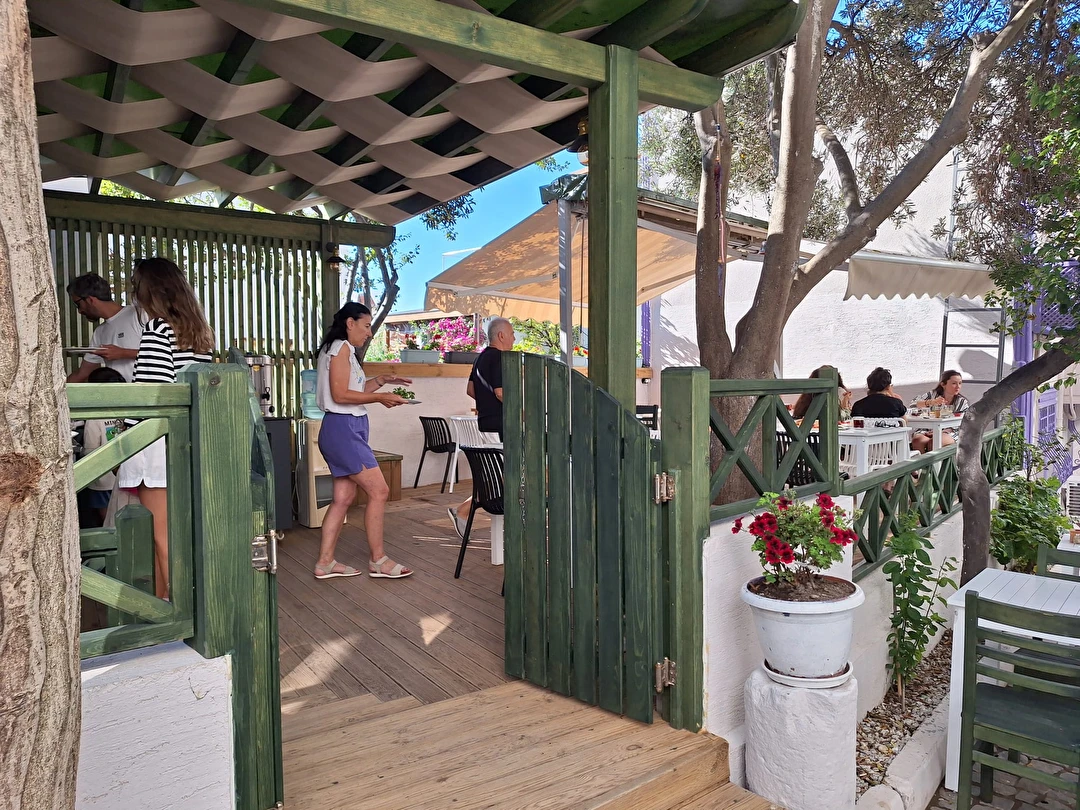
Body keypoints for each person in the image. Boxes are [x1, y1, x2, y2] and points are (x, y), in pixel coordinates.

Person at [116, 258, 215, 599]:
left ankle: (178, 609)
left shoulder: (158, 329)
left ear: (148, 292)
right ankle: (164, 606)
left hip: (156, 443)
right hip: (185, 439)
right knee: (174, 531)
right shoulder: (199, 334)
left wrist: (124, 438)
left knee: (161, 535)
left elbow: (151, 395)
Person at [314, 302, 414, 580]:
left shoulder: (338, 349)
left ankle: (325, 562)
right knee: (380, 491)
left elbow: (353, 391)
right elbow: (340, 395)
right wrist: (380, 398)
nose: (369, 333)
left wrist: (380, 382)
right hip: (344, 429)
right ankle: (378, 560)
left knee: (343, 498)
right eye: (367, 326)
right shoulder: (341, 348)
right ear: (350, 323)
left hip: (343, 428)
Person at [448, 317, 515, 539]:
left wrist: (486, 403)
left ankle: (463, 510)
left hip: (486, 422)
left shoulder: (481, 358)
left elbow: (470, 389)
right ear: (501, 335)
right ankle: (463, 510)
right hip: (500, 423)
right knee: (509, 475)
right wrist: (522, 409)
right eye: (512, 334)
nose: (514, 338)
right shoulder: (499, 357)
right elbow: (501, 392)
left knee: (504, 476)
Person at [66, 273, 143, 382]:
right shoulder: (100, 332)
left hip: (148, 391)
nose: (79, 311)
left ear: (90, 300)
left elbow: (164, 352)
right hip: (119, 393)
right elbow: (82, 373)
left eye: (78, 304)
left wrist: (123, 353)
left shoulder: (139, 315)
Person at [79, 367, 127, 525]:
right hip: (124, 477)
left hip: (102, 480)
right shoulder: (128, 412)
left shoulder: (95, 417)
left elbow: (90, 449)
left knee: (107, 520)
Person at [909, 369, 969, 452]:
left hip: (951, 431)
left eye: (960, 383)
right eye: (954, 383)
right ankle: (923, 461)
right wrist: (931, 402)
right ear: (943, 384)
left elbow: (964, 423)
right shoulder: (932, 395)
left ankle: (934, 461)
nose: (958, 386)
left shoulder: (961, 402)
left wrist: (939, 431)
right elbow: (912, 404)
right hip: (927, 428)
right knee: (918, 441)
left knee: (934, 443)